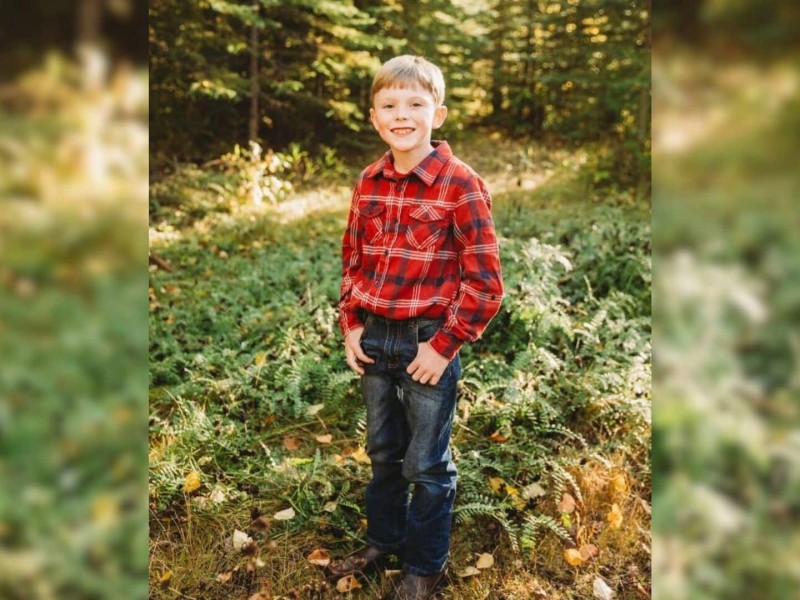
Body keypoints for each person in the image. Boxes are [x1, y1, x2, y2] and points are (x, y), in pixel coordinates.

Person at [331, 55, 503, 600]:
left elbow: (485, 281)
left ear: (438, 113)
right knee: (383, 451)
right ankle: (383, 540)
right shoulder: (369, 180)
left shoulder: (461, 185)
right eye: (389, 105)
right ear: (375, 116)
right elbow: (353, 258)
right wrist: (350, 323)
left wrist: (444, 346)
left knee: (426, 463)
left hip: (428, 340)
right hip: (374, 338)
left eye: (414, 104)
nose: (401, 115)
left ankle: (424, 568)